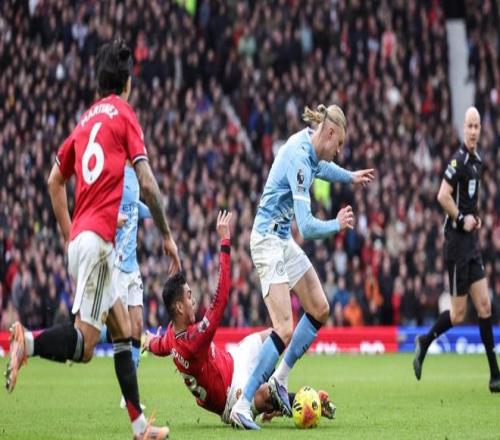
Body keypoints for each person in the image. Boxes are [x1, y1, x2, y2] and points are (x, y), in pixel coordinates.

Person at [5, 38, 181, 439]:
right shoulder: (124, 114)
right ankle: (27, 342)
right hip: (99, 243)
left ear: (97, 82)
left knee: (124, 330)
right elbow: (148, 184)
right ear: (127, 82)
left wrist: (71, 236)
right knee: (85, 345)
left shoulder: (84, 122)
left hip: (85, 239)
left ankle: (140, 428)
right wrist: (167, 236)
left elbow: (54, 182)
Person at [230, 104, 375, 429]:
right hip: (267, 240)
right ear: (330, 133)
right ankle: (243, 404)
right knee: (284, 327)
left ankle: (279, 379)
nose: (339, 151)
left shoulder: (310, 146)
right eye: (339, 144)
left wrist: (350, 177)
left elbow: (323, 168)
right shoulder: (298, 157)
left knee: (320, 308)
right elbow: (307, 227)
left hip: (281, 239)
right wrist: (337, 224)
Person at [142, 211, 336, 425]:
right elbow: (220, 299)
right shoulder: (193, 340)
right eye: (189, 296)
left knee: (277, 334)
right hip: (230, 395)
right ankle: (306, 403)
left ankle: (275, 390)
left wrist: (147, 341)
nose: (193, 300)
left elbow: (157, 345)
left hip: (235, 358)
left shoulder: (171, 336)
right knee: (264, 395)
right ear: (179, 307)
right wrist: (225, 243)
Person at [413, 107, 500, 393]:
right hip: (456, 245)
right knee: (459, 314)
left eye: (477, 126)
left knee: (485, 306)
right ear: (463, 128)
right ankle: (425, 341)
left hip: (471, 244)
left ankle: (495, 376)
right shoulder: (459, 160)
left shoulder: (477, 162)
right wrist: (462, 219)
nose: (473, 131)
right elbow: (442, 195)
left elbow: (469, 200)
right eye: (469, 126)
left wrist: (475, 218)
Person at [100, 162, 152, 409]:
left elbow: (134, 207)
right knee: (119, 329)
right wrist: (113, 219)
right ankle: (84, 335)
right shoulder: (114, 173)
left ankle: (129, 395)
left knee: (137, 326)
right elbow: (98, 210)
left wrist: (155, 212)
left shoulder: (134, 176)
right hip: (117, 266)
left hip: (133, 267)